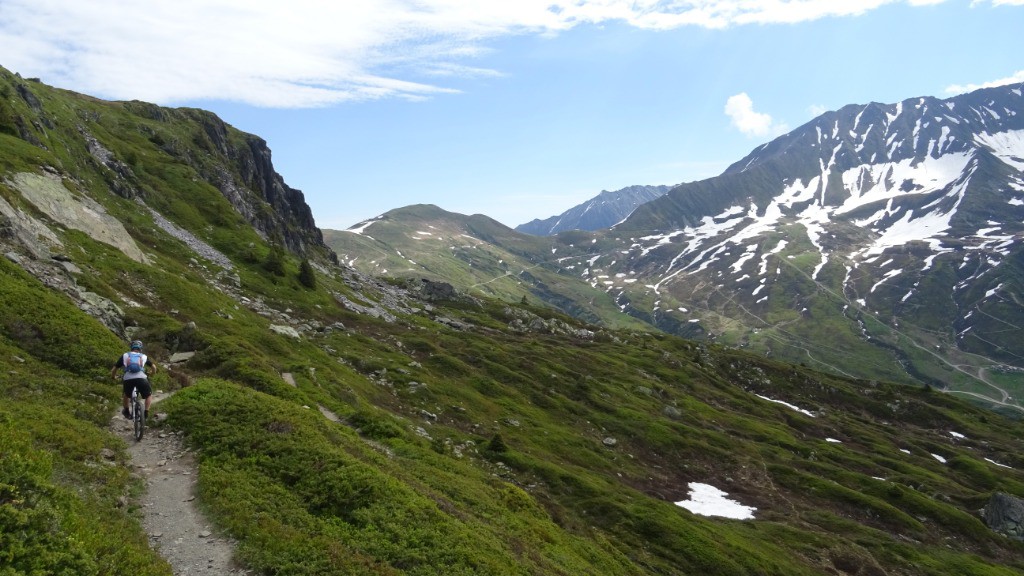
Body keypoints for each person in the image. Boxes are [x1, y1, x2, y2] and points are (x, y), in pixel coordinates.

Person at [111, 340, 157, 419]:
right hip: (141, 378)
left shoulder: (125, 355)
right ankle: (146, 412)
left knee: (126, 394)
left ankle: (127, 411)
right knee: (148, 395)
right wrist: (152, 373)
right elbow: (154, 367)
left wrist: (113, 377)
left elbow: (114, 369)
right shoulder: (143, 356)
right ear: (140, 348)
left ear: (131, 347)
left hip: (128, 378)